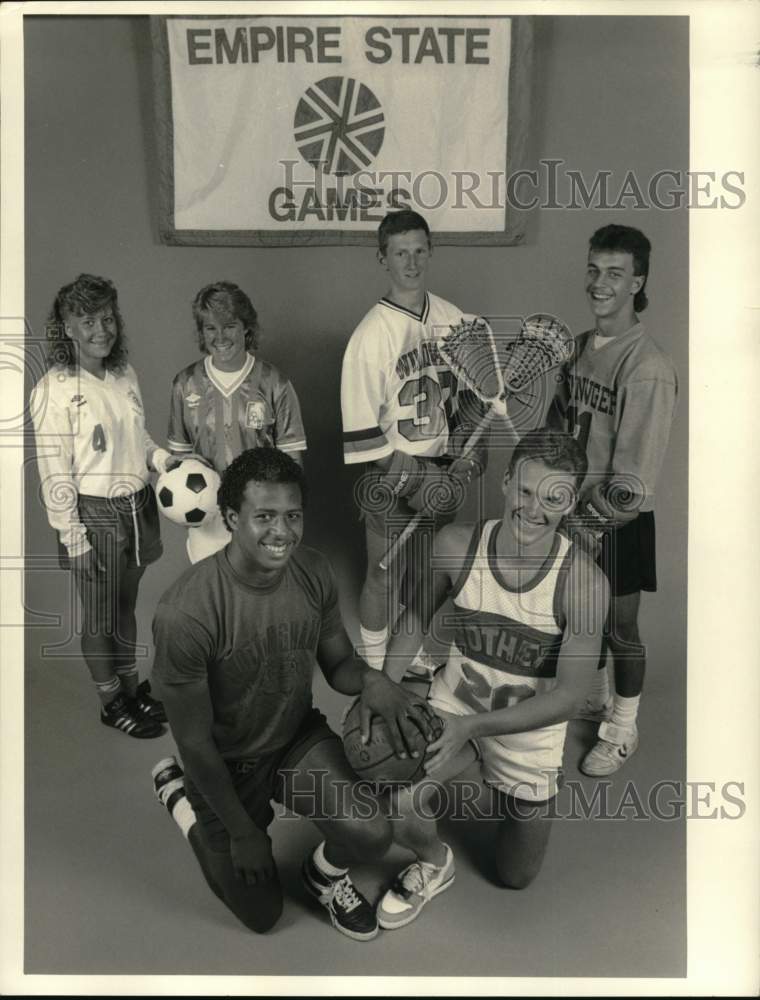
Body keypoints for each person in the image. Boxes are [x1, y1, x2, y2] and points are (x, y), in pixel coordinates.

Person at [150, 448, 439, 939]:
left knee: (373, 835)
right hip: (226, 762)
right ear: (231, 518)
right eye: (264, 516)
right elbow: (195, 743)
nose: (281, 531)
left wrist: (376, 681)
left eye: (292, 516)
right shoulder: (186, 614)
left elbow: (340, 665)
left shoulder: (313, 572)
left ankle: (322, 877)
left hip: (292, 741)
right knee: (262, 916)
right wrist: (243, 833)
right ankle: (181, 800)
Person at [374, 430, 608, 928]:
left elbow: (568, 699)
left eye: (553, 498)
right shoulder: (457, 544)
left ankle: (510, 786)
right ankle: (435, 864)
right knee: (392, 795)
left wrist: (474, 732)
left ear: (570, 503)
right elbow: (414, 619)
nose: (534, 509)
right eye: (525, 491)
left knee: (515, 875)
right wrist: (384, 689)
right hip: (454, 708)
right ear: (505, 481)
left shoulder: (585, 584)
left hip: (529, 733)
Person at [547, 224, 678, 776]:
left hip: (615, 520)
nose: (600, 283)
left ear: (637, 283)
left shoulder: (646, 366)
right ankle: (595, 694)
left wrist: (585, 521)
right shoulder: (576, 347)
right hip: (569, 509)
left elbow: (633, 481)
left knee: (621, 628)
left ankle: (622, 726)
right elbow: (558, 428)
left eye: (615, 274)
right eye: (595, 269)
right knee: (578, 618)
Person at [340, 209, 487, 674]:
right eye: (400, 252)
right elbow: (363, 436)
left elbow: (470, 400)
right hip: (392, 473)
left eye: (419, 250)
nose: (411, 261)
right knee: (383, 574)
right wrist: (416, 478)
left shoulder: (454, 320)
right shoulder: (370, 337)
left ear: (430, 252)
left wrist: (467, 457)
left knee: (426, 576)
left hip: (443, 469)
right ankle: (375, 662)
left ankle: (411, 653)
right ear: (382, 258)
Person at [30, 273, 173, 738]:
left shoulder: (123, 374)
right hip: (94, 515)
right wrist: (75, 539)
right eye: (87, 320)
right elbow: (54, 473)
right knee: (100, 614)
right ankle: (111, 701)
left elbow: (138, 437)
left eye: (108, 317)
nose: (101, 329)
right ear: (66, 327)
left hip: (137, 505)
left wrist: (162, 459)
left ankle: (132, 689)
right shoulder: (53, 390)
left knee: (126, 606)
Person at [167, 281, 307, 563]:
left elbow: (294, 464)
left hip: (261, 516)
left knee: (260, 600)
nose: (220, 336)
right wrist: (183, 502)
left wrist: (283, 517)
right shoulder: (185, 384)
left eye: (229, 326)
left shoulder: (274, 383)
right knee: (213, 599)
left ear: (246, 327)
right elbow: (177, 459)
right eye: (210, 328)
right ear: (202, 332)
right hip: (206, 516)